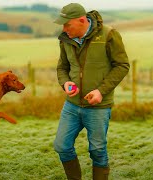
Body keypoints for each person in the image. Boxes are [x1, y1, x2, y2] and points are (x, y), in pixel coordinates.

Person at [53, 3, 130, 180]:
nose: (64, 29)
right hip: (71, 106)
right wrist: (65, 84)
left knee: (97, 150)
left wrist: (101, 91)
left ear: (81, 20)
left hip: (99, 107)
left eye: (67, 24)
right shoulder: (65, 39)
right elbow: (62, 68)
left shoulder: (109, 34)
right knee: (61, 146)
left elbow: (122, 65)